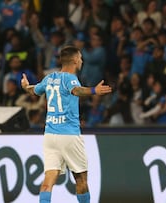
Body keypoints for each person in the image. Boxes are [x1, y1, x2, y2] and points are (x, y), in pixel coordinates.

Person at [21, 46, 112, 203]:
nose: (82, 60)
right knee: (81, 179)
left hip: (50, 135)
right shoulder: (70, 78)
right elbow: (76, 91)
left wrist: (25, 86)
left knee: (48, 181)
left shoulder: (49, 78)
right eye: (81, 57)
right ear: (75, 60)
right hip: (69, 135)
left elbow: (33, 90)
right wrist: (93, 91)